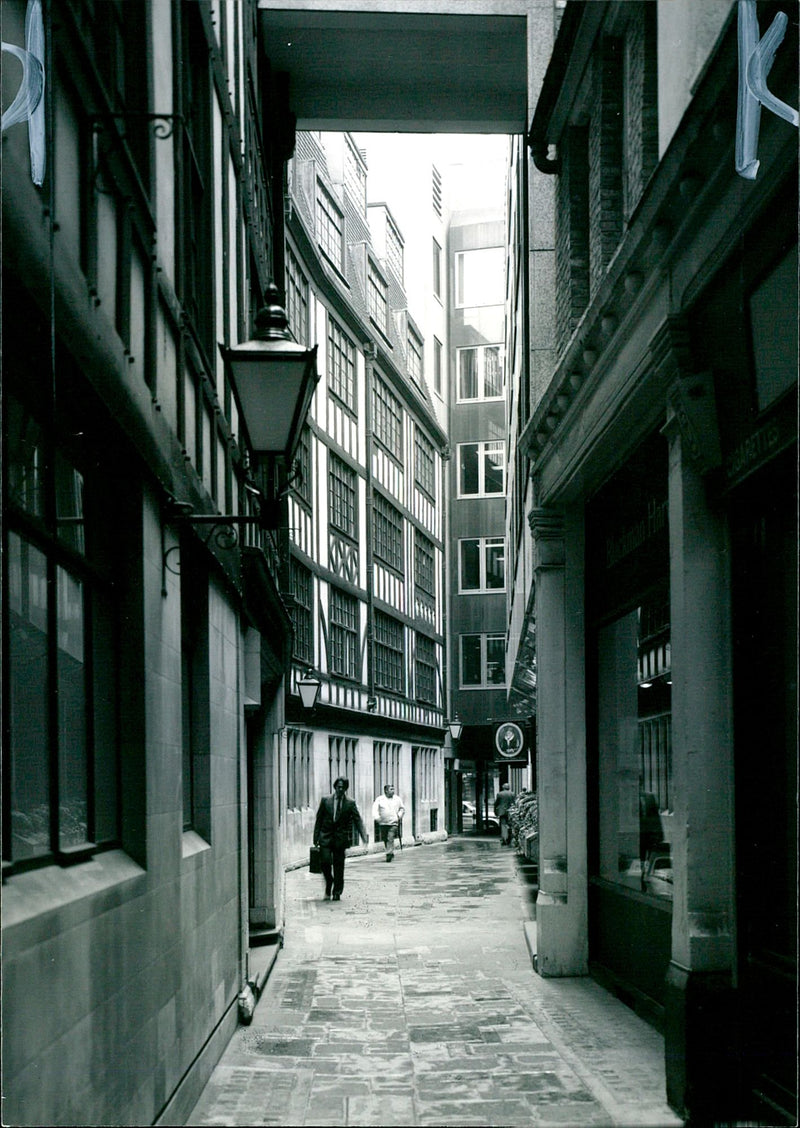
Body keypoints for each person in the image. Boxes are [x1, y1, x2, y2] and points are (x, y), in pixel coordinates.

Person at [313, 777, 368, 901]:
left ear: (346, 788)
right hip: (325, 837)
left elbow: (357, 820)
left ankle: (337, 891)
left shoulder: (350, 803)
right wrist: (315, 837)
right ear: (335, 787)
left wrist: (364, 836)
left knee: (339, 866)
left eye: (343, 787)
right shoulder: (326, 800)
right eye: (338, 787)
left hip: (340, 839)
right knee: (325, 862)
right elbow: (319, 819)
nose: (340, 789)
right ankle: (329, 881)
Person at [372, 783, 405, 862]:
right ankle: (390, 851)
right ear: (386, 791)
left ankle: (389, 854)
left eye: (393, 789)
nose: (393, 791)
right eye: (391, 789)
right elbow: (374, 809)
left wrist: (399, 816)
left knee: (390, 838)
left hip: (393, 823)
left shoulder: (397, 799)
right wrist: (377, 818)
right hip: (383, 823)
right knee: (385, 838)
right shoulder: (380, 799)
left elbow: (402, 809)